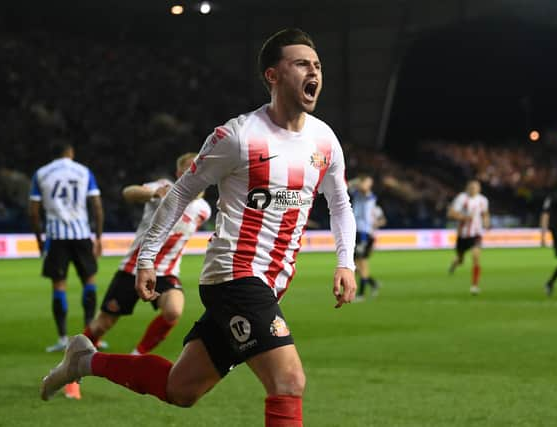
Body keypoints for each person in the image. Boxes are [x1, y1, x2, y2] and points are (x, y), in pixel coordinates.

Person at [41, 28, 357, 426]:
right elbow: (179, 193)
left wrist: (345, 262)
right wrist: (148, 258)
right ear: (272, 76)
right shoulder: (239, 136)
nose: (313, 71)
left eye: (317, 65)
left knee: (181, 389)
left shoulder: (324, 139)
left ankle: (86, 361)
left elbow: (341, 203)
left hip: (270, 283)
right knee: (288, 380)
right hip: (234, 276)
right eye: (301, 64)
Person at [62, 152, 212, 400]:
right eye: (189, 168)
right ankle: (71, 373)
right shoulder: (163, 188)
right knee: (101, 325)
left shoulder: (203, 209)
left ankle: (136, 355)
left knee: (174, 310)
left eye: (199, 168)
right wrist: (153, 194)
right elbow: (128, 192)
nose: (195, 171)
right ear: (178, 173)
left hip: (167, 272)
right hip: (135, 268)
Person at [29, 142, 104, 352]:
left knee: (59, 285)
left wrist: (39, 240)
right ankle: (90, 337)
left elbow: (33, 212)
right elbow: (97, 206)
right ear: (70, 153)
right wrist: (98, 237)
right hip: (81, 234)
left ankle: (62, 338)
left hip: (56, 236)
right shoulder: (83, 171)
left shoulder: (41, 173)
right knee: (89, 280)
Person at [447, 179, 490, 295]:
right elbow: (450, 213)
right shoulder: (461, 198)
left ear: (479, 189)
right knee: (461, 260)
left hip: (476, 234)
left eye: (476, 187)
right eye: (471, 187)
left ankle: (474, 286)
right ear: (467, 188)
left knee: (476, 257)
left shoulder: (483, 200)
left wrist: (486, 222)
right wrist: (464, 217)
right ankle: (455, 263)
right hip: (463, 235)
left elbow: (485, 213)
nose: (473, 189)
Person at [348, 174, 382, 301]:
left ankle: (361, 293)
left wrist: (357, 182)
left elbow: (362, 188)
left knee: (361, 263)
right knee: (355, 264)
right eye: (368, 182)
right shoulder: (357, 194)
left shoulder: (370, 196)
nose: (369, 185)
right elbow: (347, 186)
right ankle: (372, 283)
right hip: (355, 231)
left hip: (364, 232)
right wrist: (357, 181)